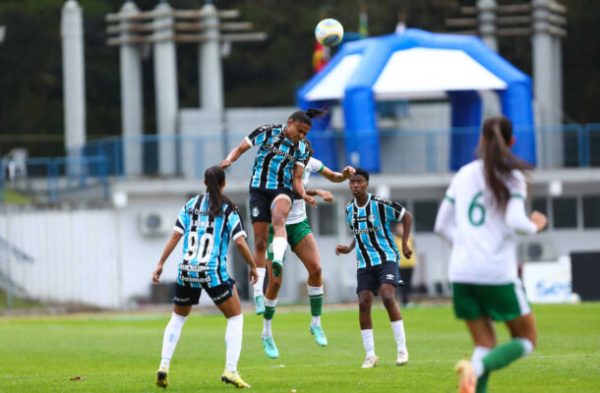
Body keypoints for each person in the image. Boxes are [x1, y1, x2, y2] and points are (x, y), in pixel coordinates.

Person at [433, 116, 547, 393]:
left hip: (461, 271)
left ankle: (474, 373)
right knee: (528, 338)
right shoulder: (513, 176)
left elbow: (440, 226)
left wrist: (465, 247)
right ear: (511, 142)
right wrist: (536, 225)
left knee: (484, 345)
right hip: (496, 271)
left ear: (481, 140)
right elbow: (516, 221)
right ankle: (476, 369)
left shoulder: (463, 174)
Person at [151, 166, 259, 389]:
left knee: (178, 318)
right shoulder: (228, 208)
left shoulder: (191, 205)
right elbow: (239, 241)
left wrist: (160, 264)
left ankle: (163, 365)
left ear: (203, 182)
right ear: (224, 184)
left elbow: (175, 235)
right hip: (212, 272)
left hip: (186, 270)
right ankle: (230, 369)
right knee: (235, 317)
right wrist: (253, 266)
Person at [221, 109, 322, 315]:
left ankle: (276, 258)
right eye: (299, 131)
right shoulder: (267, 132)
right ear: (290, 122)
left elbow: (296, 180)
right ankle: (258, 293)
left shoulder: (301, 148)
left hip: (282, 189)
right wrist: (229, 160)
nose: (301, 136)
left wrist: (305, 195)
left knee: (279, 218)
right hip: (259, 190)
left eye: (305, 134)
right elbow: (241, 148)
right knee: (258, 242)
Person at [261, 153, 355, 359]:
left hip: (299, 224)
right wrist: (315, 192)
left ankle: (316, 323)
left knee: (316, 269)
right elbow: (287, 191)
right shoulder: (277, 163)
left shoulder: (310, 162)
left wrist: (345, 175)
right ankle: (266, 332)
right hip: (276, 225)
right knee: (275, 282)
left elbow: (333, 176)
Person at [335, 168, 413, 368]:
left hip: (386, 257)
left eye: (359, 181)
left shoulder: (379, 204)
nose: (355, 185)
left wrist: (404, 244)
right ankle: (370, 355)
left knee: (387, 296)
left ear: (366, 184)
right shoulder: (348, 209)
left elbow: (407, 216)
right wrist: (348, 248)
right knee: (363, 303)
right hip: (364, 263)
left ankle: (402, 350)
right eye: (352, 182)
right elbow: (359, 234)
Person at [393, 221, 417, 307]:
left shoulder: (410, 238)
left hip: (410, 264)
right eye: (399, 228)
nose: (401, 230)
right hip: (400, 265)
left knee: (408, 284)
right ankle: (396, 302)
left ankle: (406, 302)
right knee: (399, 284)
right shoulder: (395, 240)